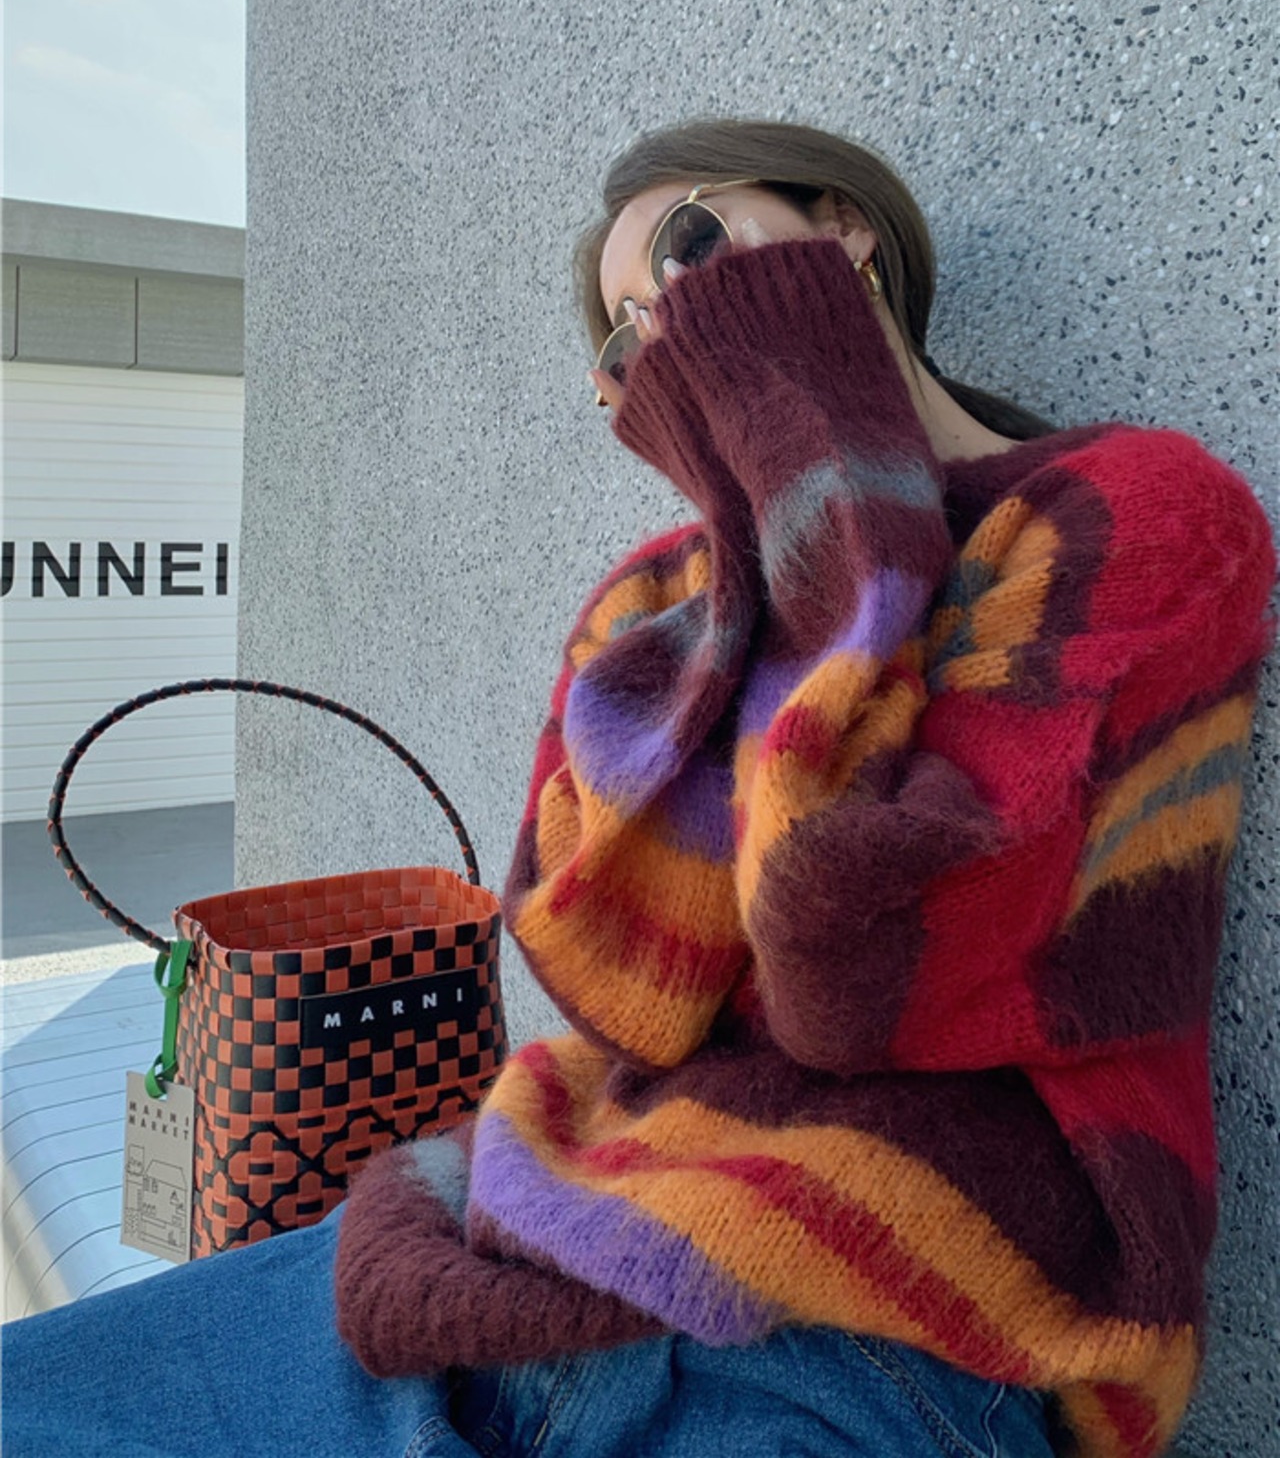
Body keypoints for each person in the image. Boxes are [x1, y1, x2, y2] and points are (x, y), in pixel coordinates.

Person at [4, 118, 1275, 1458]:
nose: (667, 319)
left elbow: (866, 971)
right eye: (625, 337)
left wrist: (828, 509)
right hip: (530, 1255)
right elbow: (613, 982)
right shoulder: (660, 603)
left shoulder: (1129, 514)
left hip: (912, 1333)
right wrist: (761, 553)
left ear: (846, 230)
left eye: (690, 245)